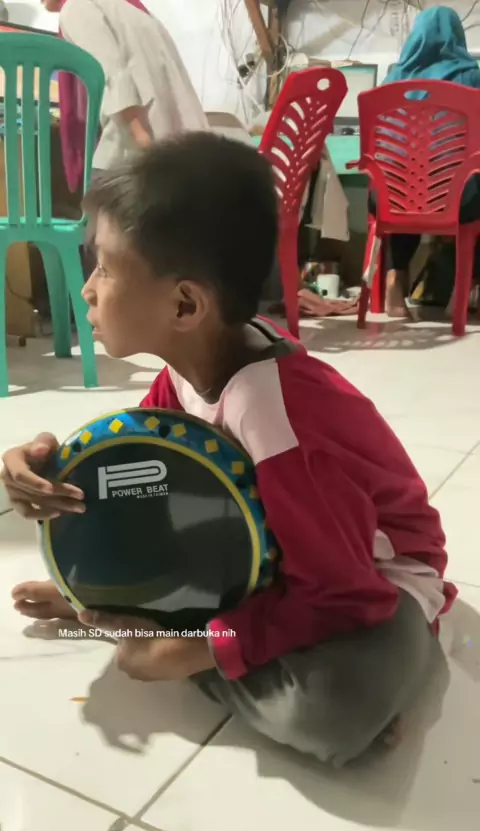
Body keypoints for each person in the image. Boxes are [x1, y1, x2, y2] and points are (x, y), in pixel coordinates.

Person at [1, 134, 456, 767]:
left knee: (329, 709)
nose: (87, 290)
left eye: (103, 267)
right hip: (289, 553)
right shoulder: (196, 360)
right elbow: (139, 474)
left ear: (185, 304)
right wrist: (45, 469)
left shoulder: (277, 416)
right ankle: (165, 626)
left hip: (376, 577)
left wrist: (194, 648)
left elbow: (346, 595)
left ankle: (384, 670)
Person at [372, 5, 480, 317]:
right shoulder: (472, 77)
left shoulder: (391, 81)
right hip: (455, 198)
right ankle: (465, 288)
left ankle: (395, 280)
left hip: (390, 198)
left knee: (406, 183)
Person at [42, 0, 208, 192]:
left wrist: (143, 141)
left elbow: (111, 74)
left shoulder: (76, 8)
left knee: (98, 195)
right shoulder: (132, 8)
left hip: (137, 153)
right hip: (184, 148)